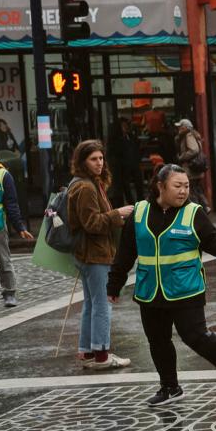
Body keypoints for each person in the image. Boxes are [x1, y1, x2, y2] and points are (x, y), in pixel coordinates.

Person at [107, 164, 216, 407]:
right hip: (150, 290)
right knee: (158, 341)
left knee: (196, 337)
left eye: (186, 186)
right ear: (160, 186)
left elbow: (213, 242)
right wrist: (114, 284)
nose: (184, 191)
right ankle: (170, 387)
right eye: (178, 186)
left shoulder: (193, 213)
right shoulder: (140, 212)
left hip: (186, 289)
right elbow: (126, 252)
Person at [67, 140, 135, 370]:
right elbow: (92, 223)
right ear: (82, 161)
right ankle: (102, 355)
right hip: (95, 254)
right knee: (103, 303)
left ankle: (87, 351)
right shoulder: (85, 187)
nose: (99, 163)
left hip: (89, 254)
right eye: (93, 159)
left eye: (101, 158)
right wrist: (118, 214)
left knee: (92, 302)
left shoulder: (86, 183)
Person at [0, 157, 31, 307]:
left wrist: (20, 227)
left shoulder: (3, 175)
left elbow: (11, 203)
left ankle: (9, 293)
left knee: (4, 260)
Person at [105, 116, 142, 207]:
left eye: (127, 125)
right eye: (124, 125)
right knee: (123, 188)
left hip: (132, 165)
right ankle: (129, 204)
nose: (126, 127)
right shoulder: (115, 141)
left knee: (136, 185)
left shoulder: (131, 137)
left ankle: (138, 203)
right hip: (120, 168)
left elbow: (135, 150)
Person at [174, 119, 207, 207]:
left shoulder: (188, 135)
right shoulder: (192, 135)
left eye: (180, 126)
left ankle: (198, 210)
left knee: (191, 191)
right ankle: (204, 207)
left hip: (190, 168)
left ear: (185, 127)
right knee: (196, 189)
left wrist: (182, 157)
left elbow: (194, 150)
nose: (178, 128)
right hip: (194, 167)